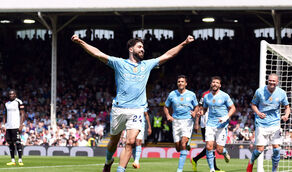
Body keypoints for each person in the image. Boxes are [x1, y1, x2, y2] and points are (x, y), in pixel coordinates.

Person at [71, 34, 194, 172]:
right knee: (114, 140)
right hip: (119, 108)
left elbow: (168, 55)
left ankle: (120, 170)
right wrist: (81, 42)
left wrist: (184, 43)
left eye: (143, 47)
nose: (143, 50)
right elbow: (98, 54)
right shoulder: (119, 63)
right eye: (139, 47)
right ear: (131, 49)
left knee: (130, 142)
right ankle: (108, 161)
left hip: (137, 109)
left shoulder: (146, 65)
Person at [247, 74, 290, 172]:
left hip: (275, 124)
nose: (271, 82)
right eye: (270, 80)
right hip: (261, 123)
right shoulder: (259, 91)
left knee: (277, 149)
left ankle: (274, 170)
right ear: (268, 80)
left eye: (274, 81)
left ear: (277, 82)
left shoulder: (282, 93)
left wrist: (286, 115)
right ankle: (251, 161)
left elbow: (287, 107)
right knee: (260, 150)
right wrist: (258, 113)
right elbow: (253, 104)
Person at [199, 76, 236, 172]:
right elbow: (205, 108)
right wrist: (201, 112)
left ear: (220, 85)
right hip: (210, 124)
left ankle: (224, 152)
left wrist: (226, 117)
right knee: (209, 146)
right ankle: (212, 169)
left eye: (217, 82)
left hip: (222, 125)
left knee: (219, 150)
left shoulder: (224, 96)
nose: (214, 84)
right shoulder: (206, 96)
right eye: (213, 82)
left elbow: (233, 108)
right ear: (211, 84)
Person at [163, 75, 199, 172]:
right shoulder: (172, 94)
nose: (180, 83)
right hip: (176, 121)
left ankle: (179, 169)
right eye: (179, 81)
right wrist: (168, 116)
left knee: (183, 143)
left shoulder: (191, 94)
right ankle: (187, 144)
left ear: (186, 83)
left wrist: (195, 113)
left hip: (187, 121)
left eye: (182, 81)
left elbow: (196, 106)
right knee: (178, 148)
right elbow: (165, 107)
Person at [190, 89, 223, 172]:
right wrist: (196, 123)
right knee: (211, 145)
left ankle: (195, 159)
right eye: (213, 83)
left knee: (212, 146)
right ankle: (213, 167)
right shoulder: (205, 94)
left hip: (214, 123)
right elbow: (199, 108)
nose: (214, 85)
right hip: (205, 124)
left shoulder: (220, 95)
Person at [3, 90, 25, 166]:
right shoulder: (6, 104)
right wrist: (3, 125)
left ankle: (20, 159)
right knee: (10, 143)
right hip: (9, 126)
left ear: (15, 95)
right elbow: (4, 114)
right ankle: (12, 160)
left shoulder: (19, 102)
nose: (11, 95)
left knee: (18, 142)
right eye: (10, 94)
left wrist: (21, 124)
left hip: (16, 125)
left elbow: (22, 113)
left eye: (12, 94)